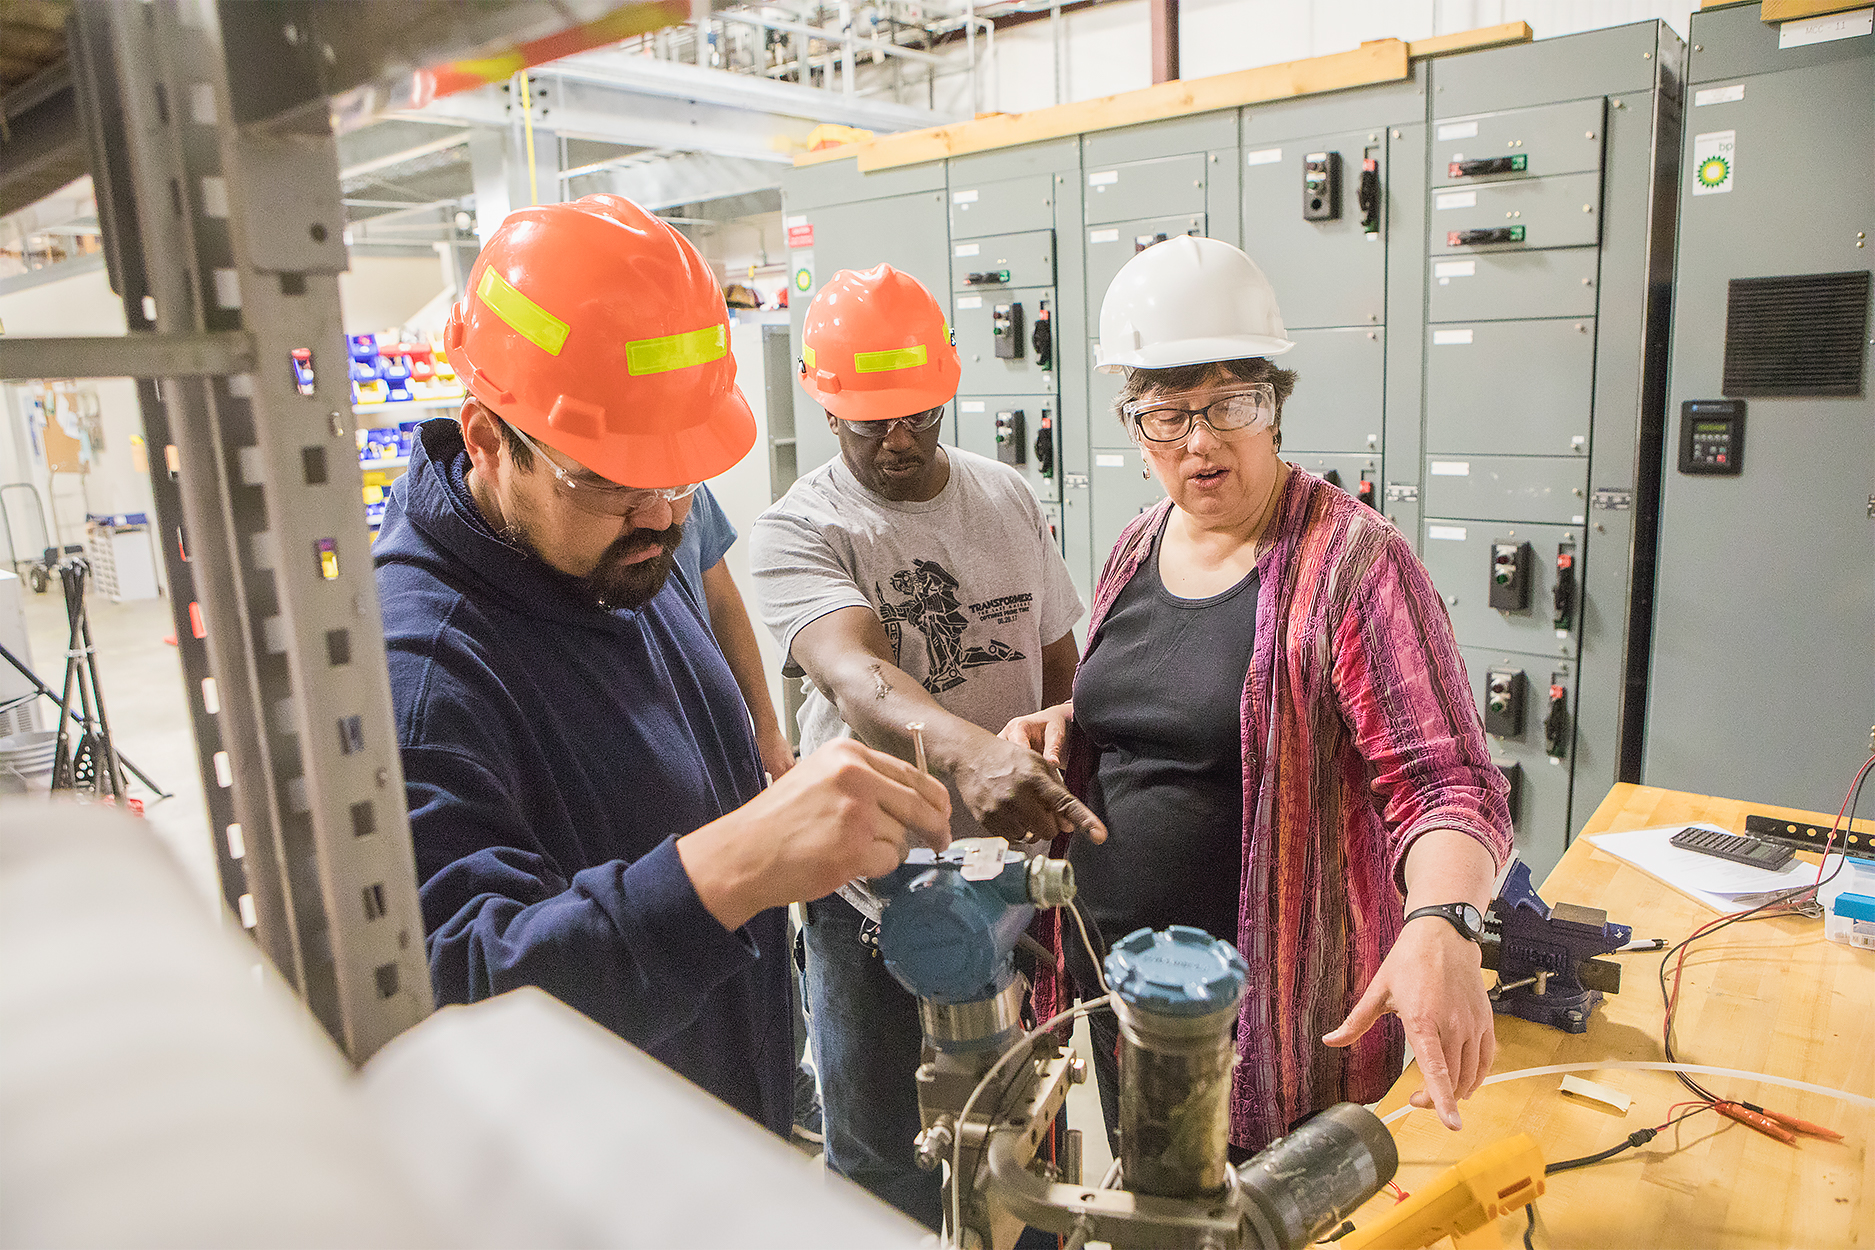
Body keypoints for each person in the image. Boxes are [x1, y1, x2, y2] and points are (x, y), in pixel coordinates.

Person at [373, 194, 950, 1140]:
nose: (661, 517)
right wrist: (738, 863)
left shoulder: (613, 550)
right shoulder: (426, 670)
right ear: (486, 439)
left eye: (678, 476)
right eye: (608, 477)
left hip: (721, 1110)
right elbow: (459, 1000)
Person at [1003, 236, 1513, 1157]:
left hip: (1276, 1032)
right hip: (1129, 1005)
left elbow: (1448, 786)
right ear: (1135, 427)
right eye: (1167, 415)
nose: (1199, 440)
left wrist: (1444, 920)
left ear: (1273, 408)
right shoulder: (1135, 542)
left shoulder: (1354, 563)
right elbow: (1175, 706)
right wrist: (1070, 725)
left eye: (1230, 404)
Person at [749, 264, 1102, 1227]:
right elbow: (855, 674)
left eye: (918, 415)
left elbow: (1058, 657)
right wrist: (969, 753)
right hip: (871, 889)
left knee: (1024, 1138)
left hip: (1015, 884)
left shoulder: (1005, 498)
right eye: (874, 421)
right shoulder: (801, 528)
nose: (899, 439)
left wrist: (1066, 777)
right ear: (828, 407)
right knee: (882, 1155)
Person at [670, 483, 795, 782]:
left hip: (712, 718)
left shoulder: (689, 487)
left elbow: (723, 605)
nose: (660, 517)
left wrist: (767, 728)